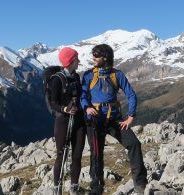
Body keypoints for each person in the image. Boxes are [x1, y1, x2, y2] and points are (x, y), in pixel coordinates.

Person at [80, 44, 147, 194]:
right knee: (96, 153)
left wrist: (131, 116)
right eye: (93, 54)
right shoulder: (88, 75)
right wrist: (86, 107)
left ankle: (140, 184)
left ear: (105, 58)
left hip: (114, 119)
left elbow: (131, 95)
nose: (93, 58)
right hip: (95, 120)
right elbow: (82, 96)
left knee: (134, 143)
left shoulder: (117, 75)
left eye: (96, 55)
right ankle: (96, 189)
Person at [48, 47, 87, 195]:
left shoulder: (76, 77)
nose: (79, 62)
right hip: (63, 121)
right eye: (76, 59)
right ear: (70, 62)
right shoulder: (57, 79)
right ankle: (57, 188)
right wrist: (65, 109)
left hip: (78, 120)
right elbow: (53, 102)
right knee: (61, 155)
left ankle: (74, 187)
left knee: (77, 155)